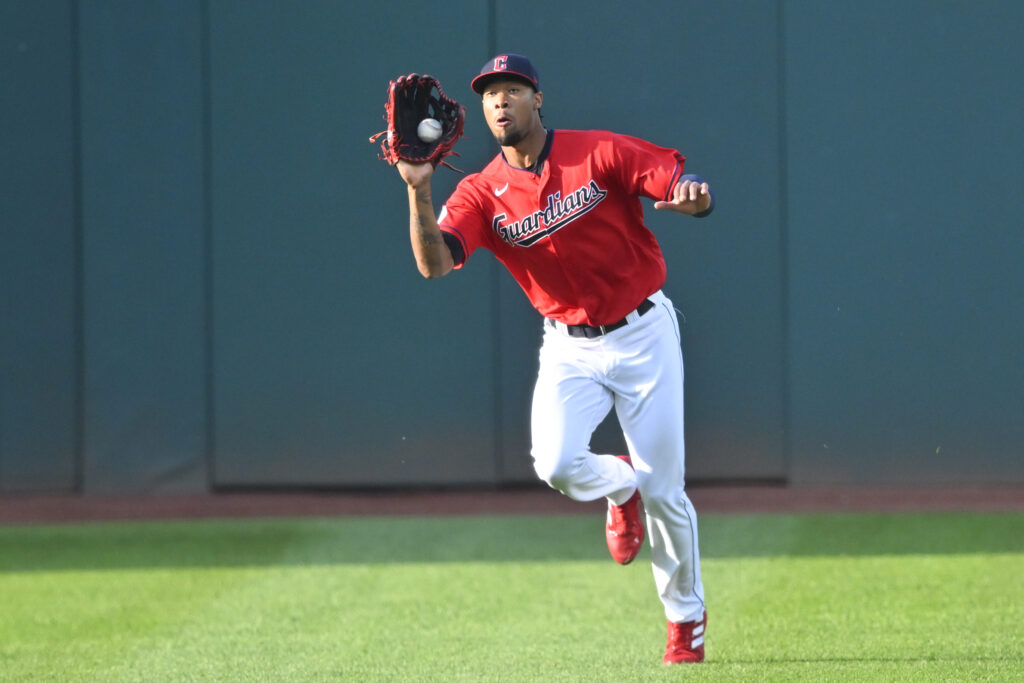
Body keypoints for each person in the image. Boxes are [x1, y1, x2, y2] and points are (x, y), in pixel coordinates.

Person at [394, 54, 713, 665]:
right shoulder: (479, 192)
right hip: (569, 344)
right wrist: (419, 188)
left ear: (537, 99)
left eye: (512, 90)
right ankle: (623, 489)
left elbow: (676, 183)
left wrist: (693, 200)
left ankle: (684, 621)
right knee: (557, 465)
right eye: (490, 95)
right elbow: (434, 263)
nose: (499, 102)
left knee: (669, 490)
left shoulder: (596, 151)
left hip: (644, 333)